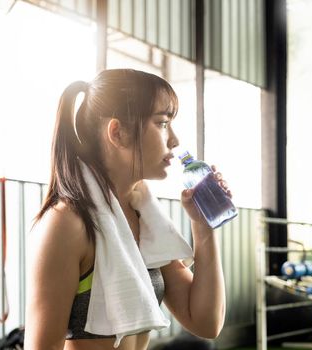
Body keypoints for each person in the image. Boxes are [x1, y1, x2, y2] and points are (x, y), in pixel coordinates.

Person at [25, 69, 229, 350]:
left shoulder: (145, 218)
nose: (174, 140)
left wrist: (203, 226)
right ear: (118, 132)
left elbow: (206, 322)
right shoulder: (66, 224)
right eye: (162, 123)